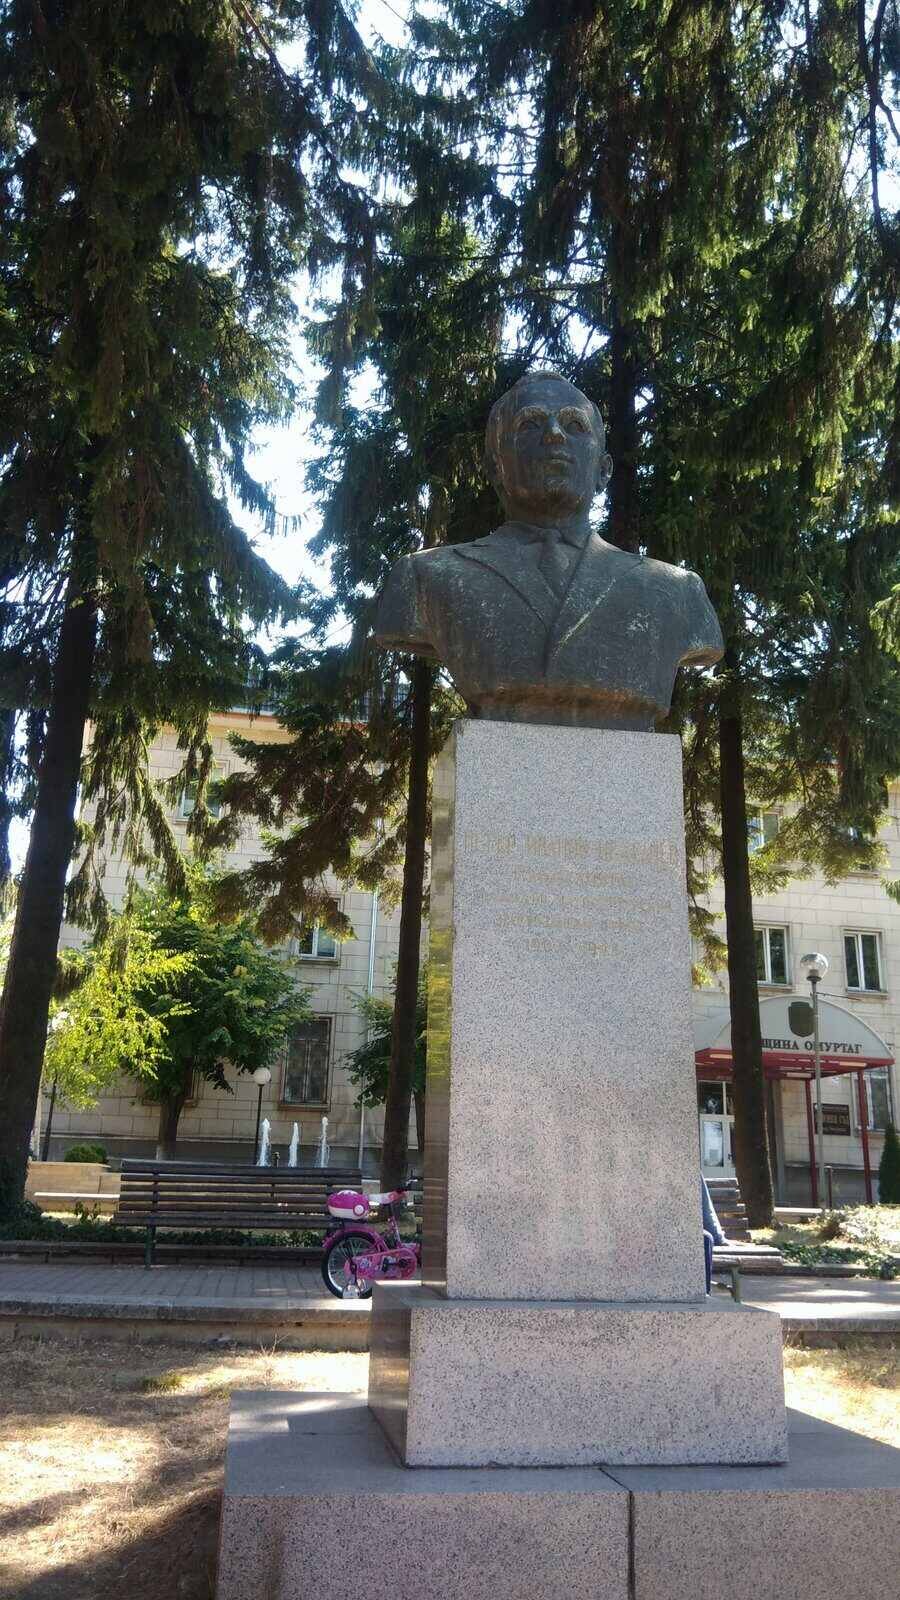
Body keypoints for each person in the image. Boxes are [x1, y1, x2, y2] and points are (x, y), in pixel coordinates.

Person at [375, 369, 723, 730]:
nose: (555, 434)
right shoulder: (425, 578)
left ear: (604, 470)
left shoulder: (676, 591)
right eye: (530, 425)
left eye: (575, 426)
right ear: (495, 467)